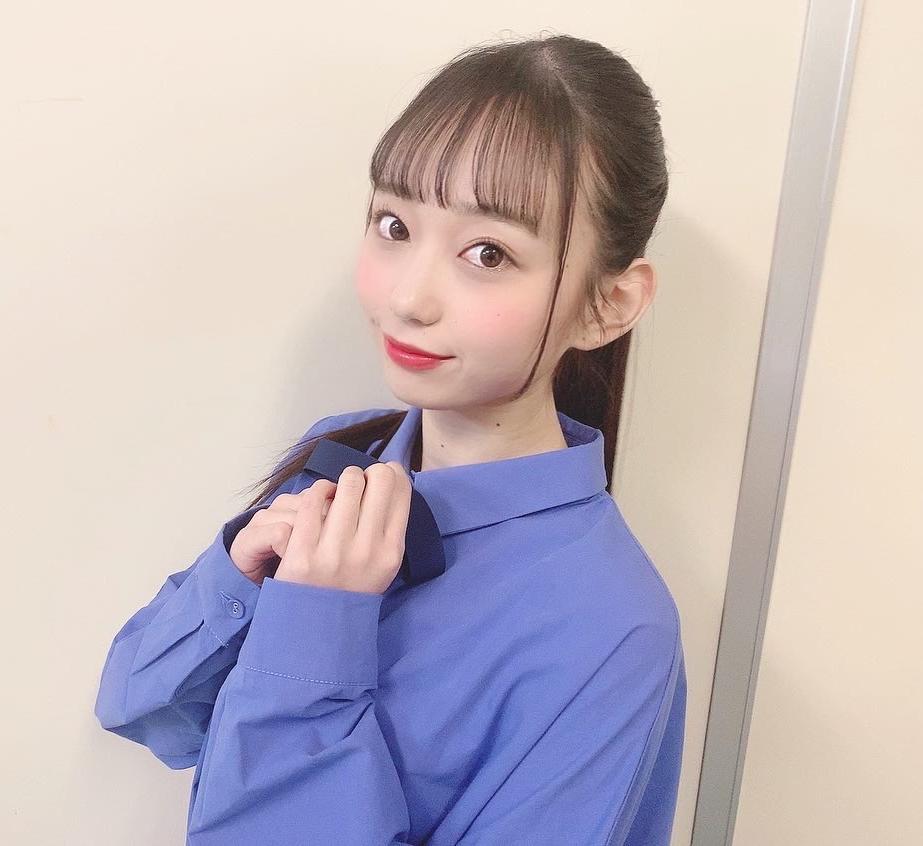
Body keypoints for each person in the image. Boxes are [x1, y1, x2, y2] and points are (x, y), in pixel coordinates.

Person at [94, 32, 685, 845]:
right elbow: (141, 709)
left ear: (608, 305)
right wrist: (236, 577)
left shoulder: (611, 630)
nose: (409, 298)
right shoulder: (340, 457)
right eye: (394, 224)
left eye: (487, 252)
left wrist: (316, 637)